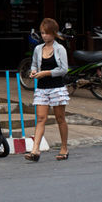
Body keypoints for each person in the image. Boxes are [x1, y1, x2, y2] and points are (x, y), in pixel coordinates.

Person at [25, 18, 70, 162]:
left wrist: (46, 73)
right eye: (42, 33)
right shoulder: (38, 49)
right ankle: (35, 150)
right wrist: (33, 72)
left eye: (47, 33)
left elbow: (63, 69)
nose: (44, 36)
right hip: (42, 88)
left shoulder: (60, 49)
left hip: (57, 88)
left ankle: (64, 148)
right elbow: (33, 64)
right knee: (40, 119)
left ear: (54, 33)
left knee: (60, 118)